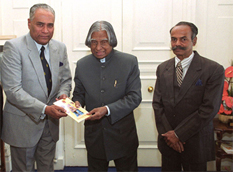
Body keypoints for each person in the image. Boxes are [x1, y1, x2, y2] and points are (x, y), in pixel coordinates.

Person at [1, 3, 72, 171]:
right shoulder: (14, 48)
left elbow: (66, 79)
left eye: (50, 25)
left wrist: (63, 95)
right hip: (23, 126)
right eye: (40, 24)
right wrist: (45, 109)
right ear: (29, 23)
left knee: (47, 168)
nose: (46, 30)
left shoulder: (60, 48)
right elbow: (13, 91)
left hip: (50, 126)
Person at [152, 21, 224, 171]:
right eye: (174, 39)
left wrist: (178, 134)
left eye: (183, 39)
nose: (177, 43)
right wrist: (169, 137)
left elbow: (209, 108)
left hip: (195, 142)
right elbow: (158, 105)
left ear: (194, 40)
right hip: (168, 143)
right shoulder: (162, 68)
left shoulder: (213, 69)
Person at [72, 20, 142, 172]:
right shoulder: (82, 64)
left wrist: (107, 109)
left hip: (123, 135)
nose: (98, 48)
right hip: (95, 135)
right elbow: (79, 93)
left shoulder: (129, 62)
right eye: (93, 42)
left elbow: (134, 97)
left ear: (112, 41)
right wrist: (76, 103)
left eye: (103, 42)